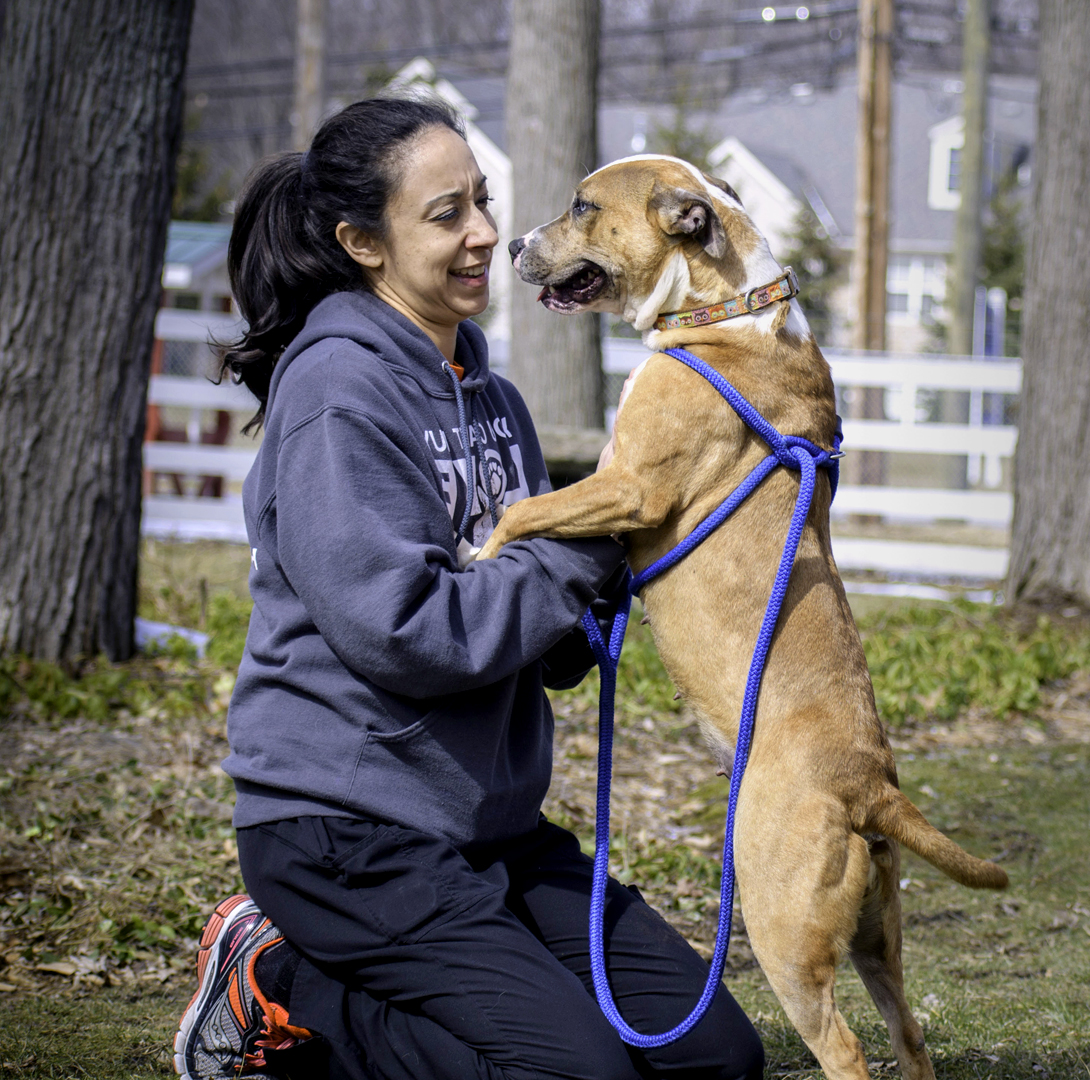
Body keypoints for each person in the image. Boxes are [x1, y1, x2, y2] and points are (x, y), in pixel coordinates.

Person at [172, 95, 764, 1080]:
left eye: (482, 202)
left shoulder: (494, 404)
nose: (486, 232)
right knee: (576, 1075)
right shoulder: (334, 396)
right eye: (446, 214)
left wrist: (635, 559)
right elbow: (407, 633)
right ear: (362, 242)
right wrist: (590, 541)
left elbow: (539, 627)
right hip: (347, 833)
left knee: (714, 1057)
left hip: (488, 830)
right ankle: (281, 986)